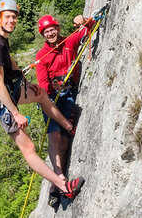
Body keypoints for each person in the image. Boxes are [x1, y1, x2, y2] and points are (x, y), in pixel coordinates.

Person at [0, 0, 85, 201]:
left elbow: (12, 63)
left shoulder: (1, 39)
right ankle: (63, 186)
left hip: (11, 88)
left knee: (41, 94)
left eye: (14, 16)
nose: (12, 20)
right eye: (7, 17)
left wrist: (27, 83)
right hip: (0, 100)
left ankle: (68, 127)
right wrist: (16, 114)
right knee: (29, 149)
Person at [35, 14, 94, 207]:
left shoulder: (70, 41)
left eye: (52, 29)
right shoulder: (41, 56)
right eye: (46, 31)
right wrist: (53, 85)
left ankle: (56, 185)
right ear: (43, 35)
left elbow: (88, 28)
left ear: (58, 29)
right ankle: (59, 181)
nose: (50, 33)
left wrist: (82, 20)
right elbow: (42, 86)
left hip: (68, 95)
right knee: (55, 136)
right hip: (50, 98)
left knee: (64, 138)